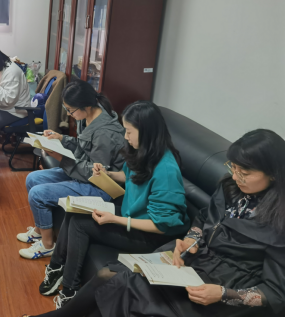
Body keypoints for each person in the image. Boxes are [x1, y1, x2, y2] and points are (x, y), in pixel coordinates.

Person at [21, 129, 285, 317]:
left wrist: (224, 294)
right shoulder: (230, 187)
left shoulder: (280, 217)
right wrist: (192, 239)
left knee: (135, 298)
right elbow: (205, 218)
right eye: (233, 168)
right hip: (195, 261)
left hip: (225, 285)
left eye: (244, 172)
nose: (236, 176)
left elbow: (275, 292)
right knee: (113, 277)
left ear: (273, 173)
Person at [37, 101, 189, 307]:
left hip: (151, 235)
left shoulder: (166, 170)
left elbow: (161, 225)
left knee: (80, 224)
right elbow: (128, 177)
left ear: (146, 132)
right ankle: (56, 267)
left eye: (129, 131)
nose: (125, 136)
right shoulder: (142, 150)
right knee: (74, 211)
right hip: (131, 215)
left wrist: (115, 219)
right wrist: (106, 173)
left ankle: (69, 291)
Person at [16, 80, 126, 260]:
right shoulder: (88, 116)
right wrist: (61, 138)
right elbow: (82, 147)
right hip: (84, 174)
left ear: (86, 106)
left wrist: (61, 158)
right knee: (33, 179)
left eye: (70, 110)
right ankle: (39, 230)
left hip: (101, 187)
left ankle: (47, 246)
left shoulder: (105, 133)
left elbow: (96, 174)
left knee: (37, 194)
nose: (68, 114)